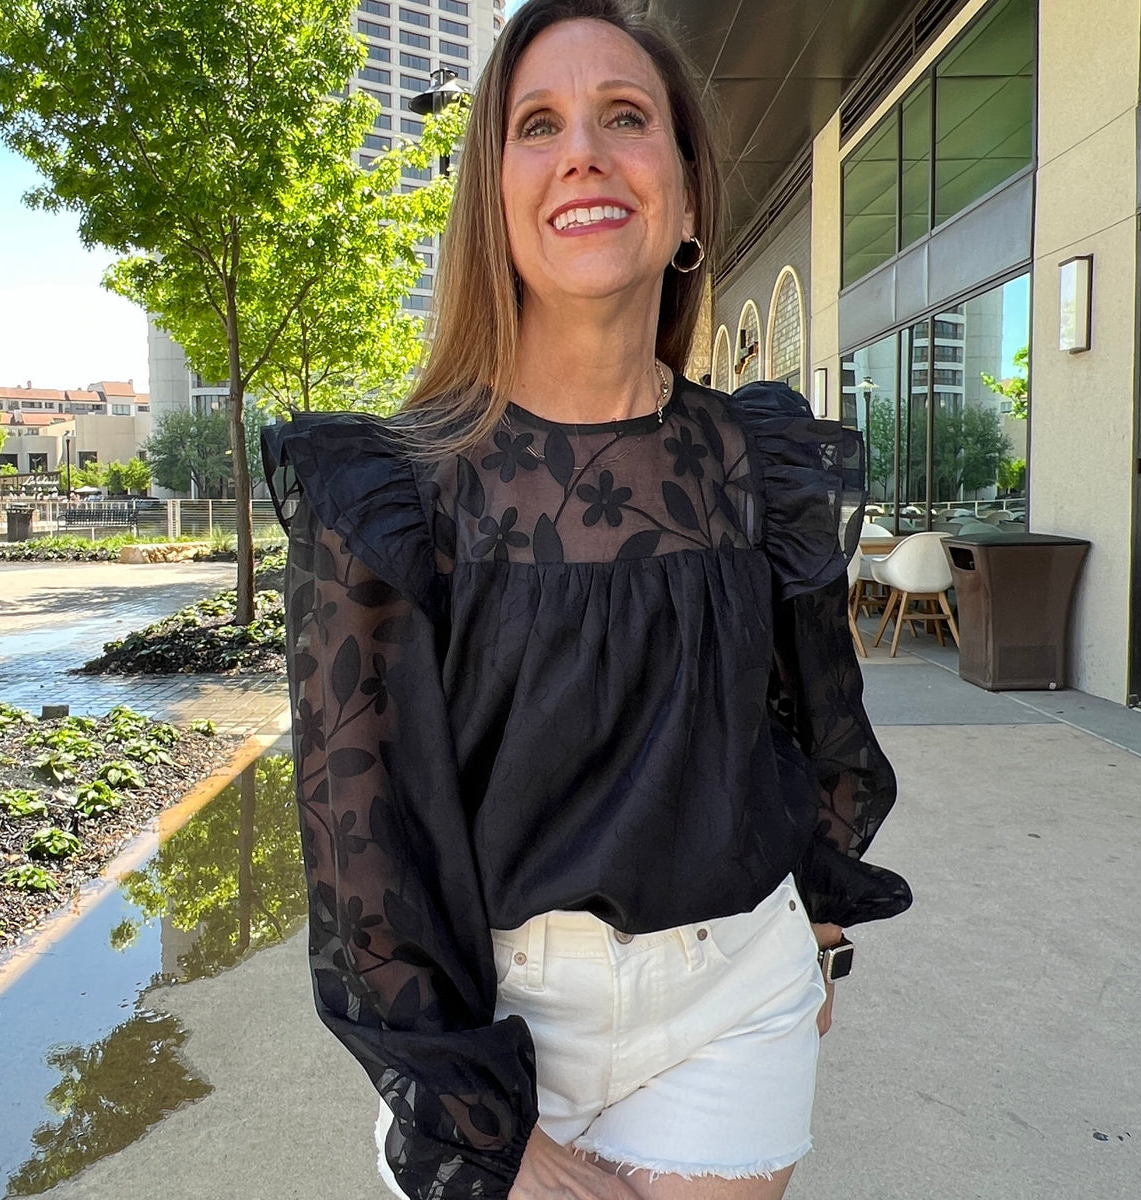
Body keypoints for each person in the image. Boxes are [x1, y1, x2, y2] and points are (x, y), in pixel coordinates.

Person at [263, 2, 911, 1198]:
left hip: (735, 996)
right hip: (493, 1014)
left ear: (688, 196)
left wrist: (816, 922)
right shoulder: (389, 493)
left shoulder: (760, 460)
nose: (584, 153)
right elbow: (363, 851)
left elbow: (812, 716)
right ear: (493, 198)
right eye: (538, 124)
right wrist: (480, 1130)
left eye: (626, 117)